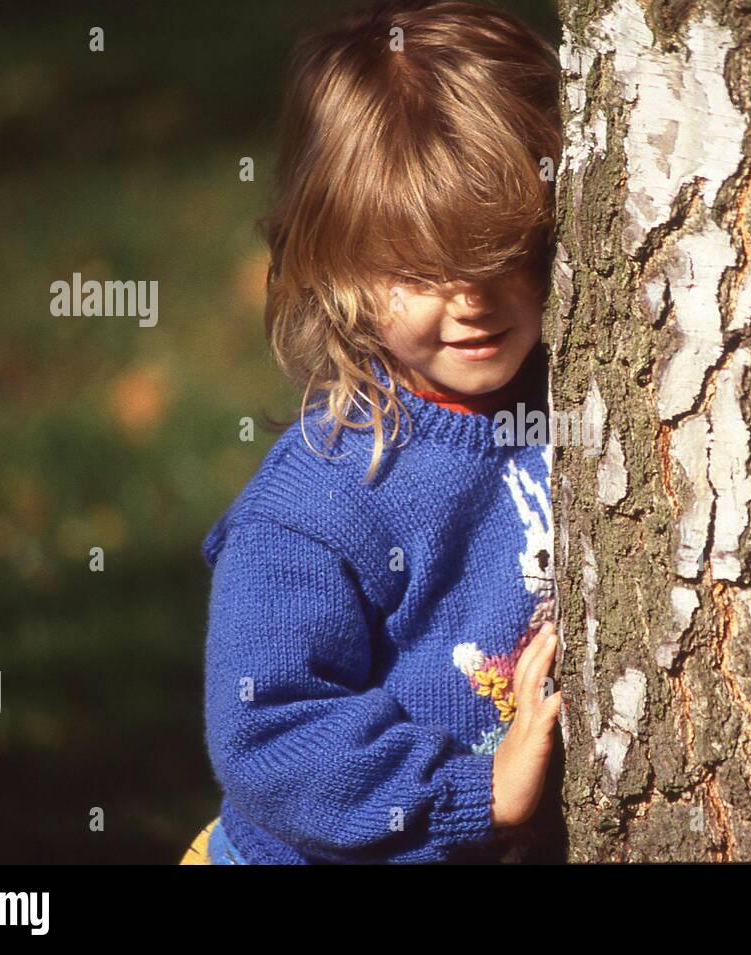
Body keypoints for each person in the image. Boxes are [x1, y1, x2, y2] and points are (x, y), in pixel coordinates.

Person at [179, 0, 564, 864]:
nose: (471, 300)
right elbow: (272, 732)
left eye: (502, 250)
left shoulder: (580, 402)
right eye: (423, 268)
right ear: (340, 265)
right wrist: (474, 793)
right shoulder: (317, 498)